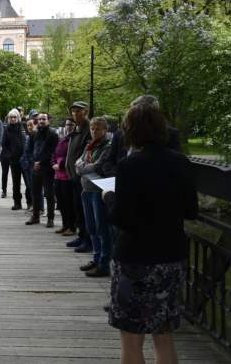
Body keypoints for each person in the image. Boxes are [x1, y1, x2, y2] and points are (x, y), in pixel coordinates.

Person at [102, 104, 198, 364]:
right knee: (163, 334)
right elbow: (191, 211)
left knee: (131, 337)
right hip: (171, 256)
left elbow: (122, 219)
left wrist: (109, 197)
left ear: (131, 131)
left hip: (135, 259)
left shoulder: (129, 165)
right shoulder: (181, 162)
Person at [103, 94, 182, 177]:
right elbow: (108, 162)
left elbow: (173, 167)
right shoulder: (120, 134)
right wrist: (120, 175)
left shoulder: (171, 135)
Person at [75, 117, 112, 277]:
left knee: (101, 227)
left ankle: (104, 262)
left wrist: (83, 166)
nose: (94, 131)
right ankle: (96, 258)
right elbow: (78, 163)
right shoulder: (89, 145)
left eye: (97, 129)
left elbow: (98, 166)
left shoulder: (107, 146)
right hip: (86, 189)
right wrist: (84, 166)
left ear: (104, 130)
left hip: (98, 191)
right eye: (92, 128)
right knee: (91, 227)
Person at [65, 101, 92, 252]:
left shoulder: (88, 128)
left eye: (78, 111)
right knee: (78, 208)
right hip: (73, 175)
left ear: (85, 112)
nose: (75, 114)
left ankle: (88, 240)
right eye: (73, 111)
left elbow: (87, 153)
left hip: (82, 176)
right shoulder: (77, 127)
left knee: (84, 209)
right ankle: (81, 235)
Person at [26, 113, 58, 227]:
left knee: (49, 194)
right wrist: (33, 162)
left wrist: (41, 162)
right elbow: (29, 150)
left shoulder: (53, 134)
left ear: (48, 120)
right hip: (35, 168)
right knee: (35, 193)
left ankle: (50, 218)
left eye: (44, 119)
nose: (41, 121)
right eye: (39, 119)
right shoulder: (34, 134)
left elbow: (53, 152)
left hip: (47, 168)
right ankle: (35, 216)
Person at [52, 118, 76, 236]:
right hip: (58, 175)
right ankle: (64, 225)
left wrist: (60, 165)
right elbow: (54, 153)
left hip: (68, 175)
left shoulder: (74, 139)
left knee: (68, 203)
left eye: (71, 124)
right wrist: (53, 163)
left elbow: (72, 156)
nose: (68, 127)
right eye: (67, 125)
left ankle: (71, 227)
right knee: (60, 202)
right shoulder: (62, 139)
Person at [1, 109, 26, 210]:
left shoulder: (23, 127)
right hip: (14, 159)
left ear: (18, 118)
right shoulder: (7, 129)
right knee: (16, 183)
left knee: (28, 182)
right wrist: (10, 155)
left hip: (25, 159)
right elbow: (4, 144)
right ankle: (17, 203)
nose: (13, 119)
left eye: (15, 117)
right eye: (11, 117)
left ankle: (30, 203)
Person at [20, 118, 36, 212]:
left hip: (33, 165)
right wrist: (22, 161)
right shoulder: (28, 136)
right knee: (30, 187)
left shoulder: (35, 136)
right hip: (27, 165)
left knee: (35, 188)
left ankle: (39, 208)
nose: (29, 127)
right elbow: (25, 152)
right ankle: (34, 206)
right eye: (28, 125)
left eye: (31, 125)